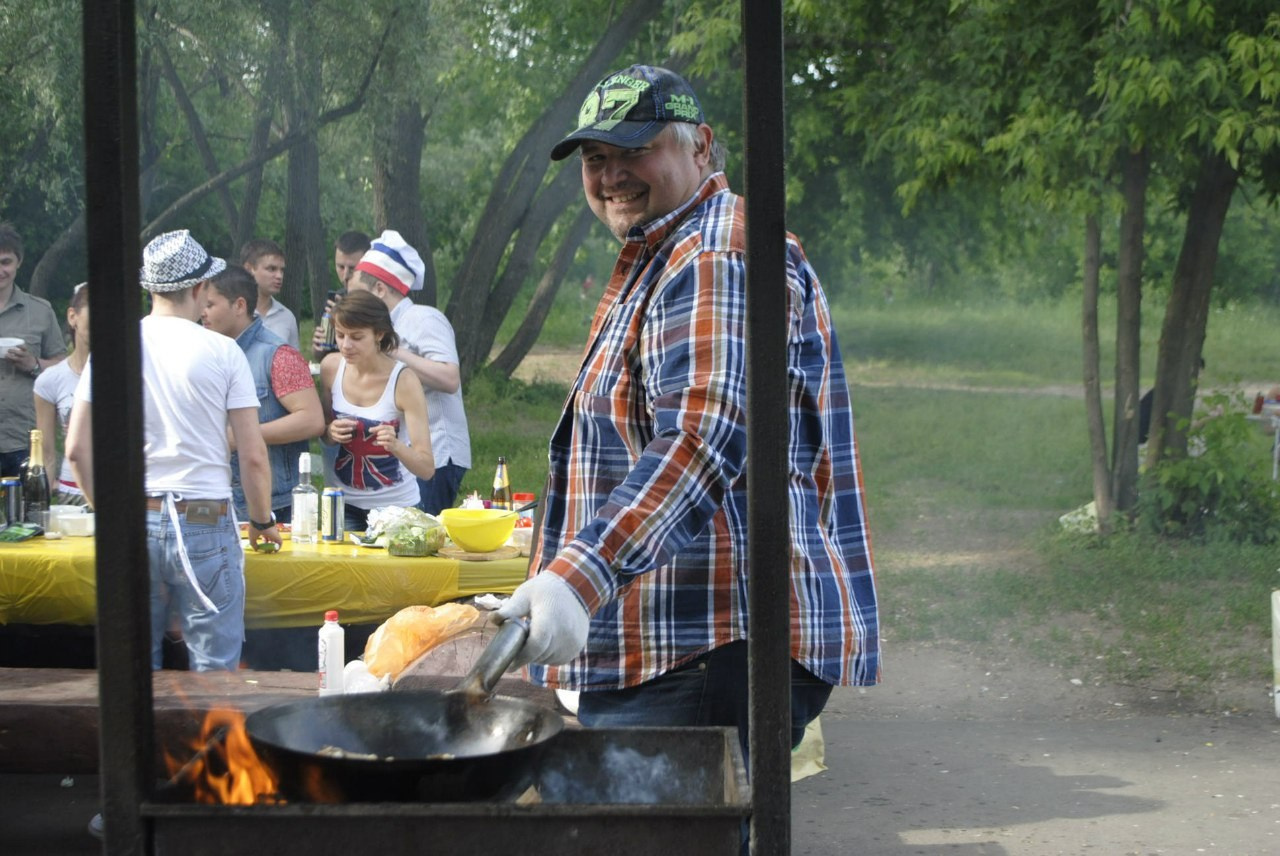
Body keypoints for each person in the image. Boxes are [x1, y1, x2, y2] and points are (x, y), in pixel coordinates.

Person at [496, 66, 880, 769]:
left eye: (634, 151)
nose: (611, 175)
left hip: (706, 644)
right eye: (595, 158)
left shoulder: (712, 254)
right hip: (683, 643)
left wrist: (577, 579)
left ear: (701, 147)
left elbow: (701, 439)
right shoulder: (668, 251)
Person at [65, 229, 281, 672]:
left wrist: (105, 512)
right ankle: (213, 742)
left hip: (133, 516)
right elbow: (253, 455)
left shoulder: (112, 347)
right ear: (201, 289)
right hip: (203, 513)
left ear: (150, 288)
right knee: (215, 672)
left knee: (134, 671)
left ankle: (143, 745)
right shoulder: (223, 351)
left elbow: (75, 449)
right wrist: (262, 522)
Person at [343, 230, 471, 514]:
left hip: (437, 454)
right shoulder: (381, 327)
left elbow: (449, 378)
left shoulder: (423, 318)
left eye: (359, 296)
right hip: (404, 457)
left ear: (379, 289)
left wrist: (390, 350)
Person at [201, 266, 324, 521]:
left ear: (239, 305)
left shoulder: (278, 354)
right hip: (211, 499)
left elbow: (312, 420)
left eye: (210, 304)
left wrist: (243, 436)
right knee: (205, 557)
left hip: (271, 504)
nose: (202, 311)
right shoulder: (205, 352)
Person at [318, 289, 435, 531]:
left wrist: (396, 446)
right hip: (342, 505)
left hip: (395, 510)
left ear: (379, 334)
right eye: (340, 335)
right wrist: (330, 431)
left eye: (357, 337)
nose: (346, 345)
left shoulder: (404, 380)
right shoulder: (331, 367)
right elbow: (324, 435)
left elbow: (426, 468)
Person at [0, 223, 68, 476]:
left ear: (19, 261)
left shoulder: (40, 311)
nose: (0, 270)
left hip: (26, 438)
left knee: (29, 514)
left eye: (5, 262)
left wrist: (33, 364)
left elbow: (64, 367)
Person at [33, 282, 90, 506]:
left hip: (118, 491)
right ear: (72, 316)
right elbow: (46, 455)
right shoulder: (50, 380)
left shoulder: (126, 373)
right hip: (71, 493)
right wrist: (41, 511)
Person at [239, 238, 300, 350]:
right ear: (248, 269)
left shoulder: (287, 317)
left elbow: (293, 364)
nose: (279, 276)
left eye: (282, 270)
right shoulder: (233, 312)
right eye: (271, 269)